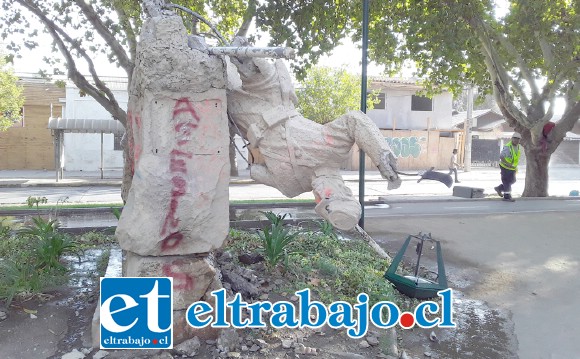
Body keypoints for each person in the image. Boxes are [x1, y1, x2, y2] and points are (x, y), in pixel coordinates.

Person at [494, 132, 522, 202]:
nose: (516, 140)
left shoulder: (518, 146)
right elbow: (501, 156)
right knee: (507, 182)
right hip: (505, 167)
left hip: (512, 168)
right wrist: (507, 164)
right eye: (515, 139)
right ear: (512, 139)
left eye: (518, 139)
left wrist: (514, 167)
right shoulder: (508, 147)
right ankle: (507, 197)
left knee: (513, 181)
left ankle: (499, 188)